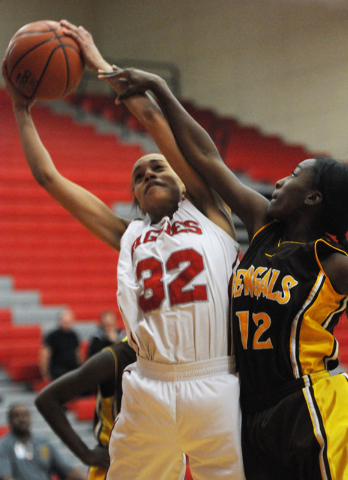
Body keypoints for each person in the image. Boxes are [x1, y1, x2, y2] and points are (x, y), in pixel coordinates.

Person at [2, 19, 245, 480]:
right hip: (148, 388)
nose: (149, 173)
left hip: (214, 381)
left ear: (180, 177)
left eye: (158, 166)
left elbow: (153, 119)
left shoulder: (211, 215)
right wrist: (21, 109)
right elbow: (49, 179)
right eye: (138, 174)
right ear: (133, 197)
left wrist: (97, 63)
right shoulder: (128, 235)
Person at [107, 67, 348, 480]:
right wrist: (162, 89)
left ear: (313, 197)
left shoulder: (332, 260)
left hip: (309, 402)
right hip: (249, 411)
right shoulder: (260, 224)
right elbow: (205, 158)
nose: (278, 179)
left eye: (293, 176)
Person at [35, 339, 136, 480]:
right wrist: (87, 454)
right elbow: (47, 400)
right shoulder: (117, 356)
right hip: (117, 468)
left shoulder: (171, 356)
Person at [0, 403, 85, 480]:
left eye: (25, 415)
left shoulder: (43, 443)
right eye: (16, 416)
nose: (22, 419)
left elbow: (67, 469)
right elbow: (6, 476)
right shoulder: (4, 446)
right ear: (9, 421)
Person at [40, 309, 81, 381]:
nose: (67, 324)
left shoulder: (73, 335)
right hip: (58, 368)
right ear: (60, 321)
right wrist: (45, 373)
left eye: (69, 322)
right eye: (65, 321)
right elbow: (45, 354)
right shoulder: (52, 336)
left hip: (72, 367)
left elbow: (78, 353)